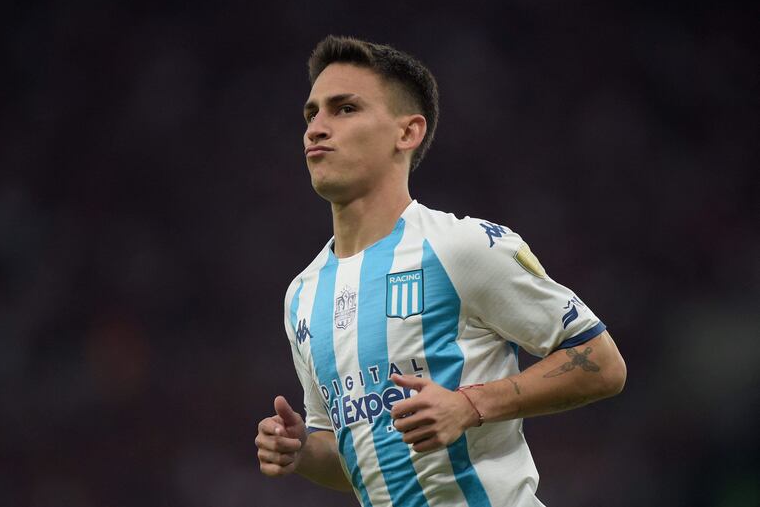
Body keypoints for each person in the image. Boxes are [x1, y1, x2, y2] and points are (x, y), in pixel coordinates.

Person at [255, 35, 627, 507]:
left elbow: (602, 363)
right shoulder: (302, 294)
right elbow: (361, 459)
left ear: (407, 133)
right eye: (312, 114)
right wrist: (304, 451)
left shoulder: (460, 246)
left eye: (344, 109)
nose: (316, 128)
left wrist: (470, 405)